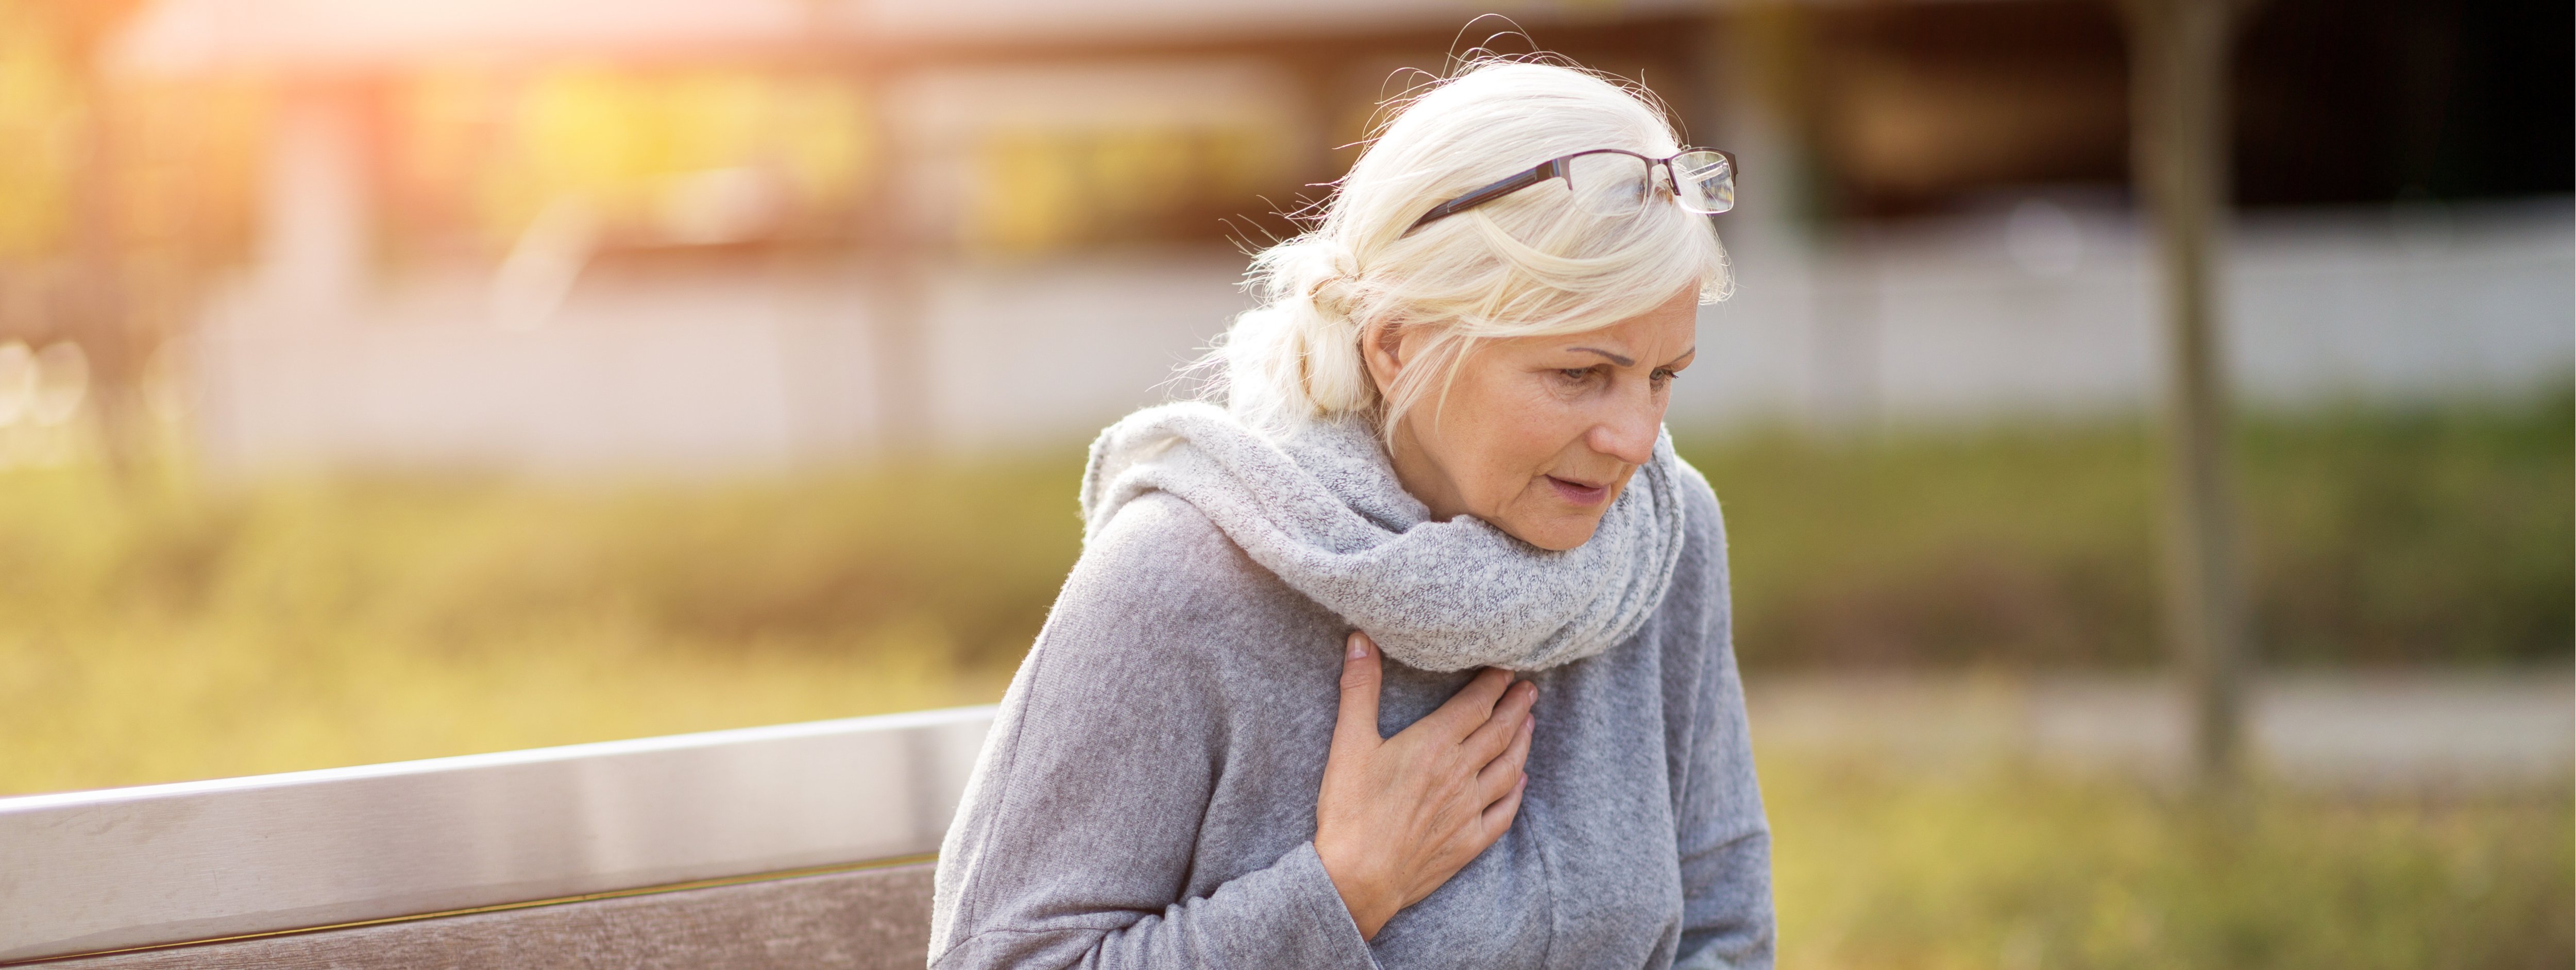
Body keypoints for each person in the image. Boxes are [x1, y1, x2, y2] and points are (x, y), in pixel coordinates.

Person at [928, 59, 1772, 969]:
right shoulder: (1179, 577)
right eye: (1579, 374)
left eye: (1662, 377)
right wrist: (1342, 889)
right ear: (1399, 348)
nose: (1635, 440)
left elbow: (1722, 932)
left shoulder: (1663, 536)